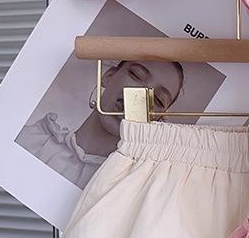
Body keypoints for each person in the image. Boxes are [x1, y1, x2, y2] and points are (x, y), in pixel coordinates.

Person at [17, 60, 185, 189]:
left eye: (158, 100)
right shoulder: (31, 140)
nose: (141, 96)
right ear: (108, 76)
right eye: (136, 75)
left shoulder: (128, 188)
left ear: (157, 119)